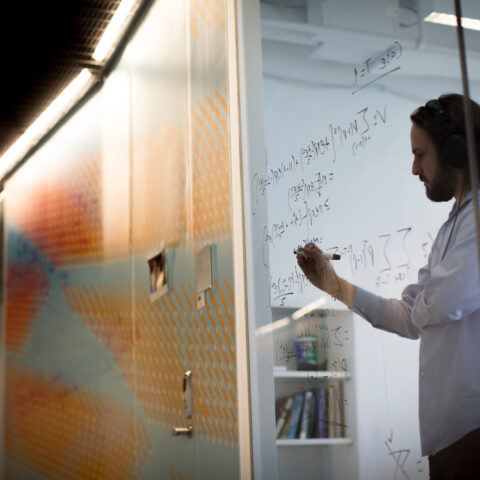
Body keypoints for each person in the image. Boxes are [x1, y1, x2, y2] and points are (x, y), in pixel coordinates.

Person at [296, 94, 480, 480]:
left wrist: (424, 303)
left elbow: (448, 297)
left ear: (454, 151)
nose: (414, 169)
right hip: (450, 440)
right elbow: (410, 319)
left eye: (420, 154)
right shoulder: (452, 227)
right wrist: (335, 285)